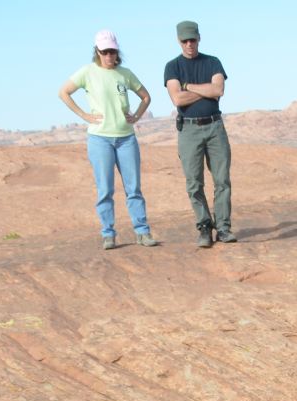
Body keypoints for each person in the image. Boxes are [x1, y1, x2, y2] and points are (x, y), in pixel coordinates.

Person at [59, 30, 157, 250]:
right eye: (105, 52)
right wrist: (84, 115)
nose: (109, 55)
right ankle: (108, 234)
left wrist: (136, 116)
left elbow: (146, 96)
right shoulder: (87, 72)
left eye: (112, 51)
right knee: (105, 189)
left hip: (126, 138)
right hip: (100, 139)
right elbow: (63, 92)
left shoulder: (125, 74)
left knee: (134, 188)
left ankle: (142, 232)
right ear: (97, 51)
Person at [164, 20, 234, 247]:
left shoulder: (213, 62)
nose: (189, 44)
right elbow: (177, 99)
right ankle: (204, 227)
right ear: (179, 41)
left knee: (222, 180)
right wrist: (205, 90)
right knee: (194, 183)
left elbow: (218, 89)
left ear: (199, 38)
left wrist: (189, 86)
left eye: (192, 40)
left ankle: (223, 228)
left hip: (215, 127)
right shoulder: (172, 67)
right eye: (185, 41)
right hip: (189, 129)